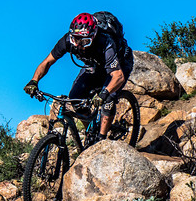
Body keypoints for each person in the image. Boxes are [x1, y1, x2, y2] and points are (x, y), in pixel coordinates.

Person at [24, 12, 134, 141]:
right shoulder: (67, 41)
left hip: (119, 64)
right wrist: (34, 81)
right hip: (94, 65)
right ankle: (90, 133)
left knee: (108, 100)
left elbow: (118, 76)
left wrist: (104, 93)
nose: (78, 45)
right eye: (75, 39)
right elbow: (47, 62)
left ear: (93, 36)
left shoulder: (105, 42)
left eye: (84, 41)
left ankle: (101, 140)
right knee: (75, 97)